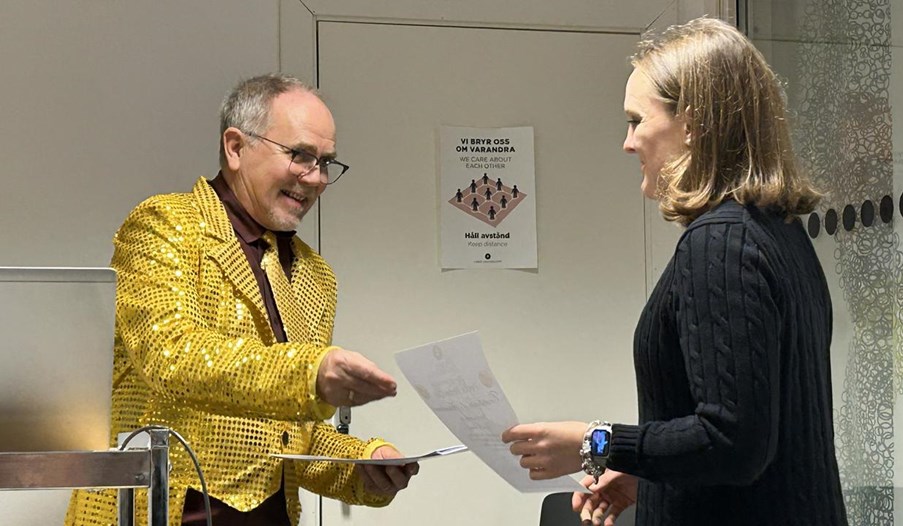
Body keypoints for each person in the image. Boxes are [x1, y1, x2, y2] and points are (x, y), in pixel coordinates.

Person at [502, 18, 848, 526]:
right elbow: (762, 436)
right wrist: (648, 472)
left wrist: (595, 443)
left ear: (693, 124)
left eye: (636, 120)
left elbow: (732, 443)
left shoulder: (720, 242)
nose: (628, 142)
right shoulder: (779, 232)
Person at [66, 74, 418, 526]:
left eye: (326, 162)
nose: (316, 178)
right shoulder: (163, 224)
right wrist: (309, 373)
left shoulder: (316, 275)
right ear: (235, 147)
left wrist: (363, 465)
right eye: (300, 155)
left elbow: (293, 437)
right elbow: (170, 355)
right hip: (156, 512)